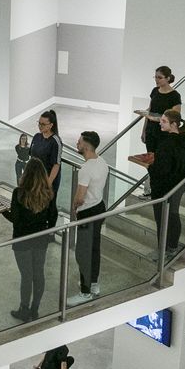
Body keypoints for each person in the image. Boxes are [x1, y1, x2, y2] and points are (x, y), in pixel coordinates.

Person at [2, 158, 53, 323]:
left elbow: (15, 220)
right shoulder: (49, 193)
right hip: (40, 239)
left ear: (26, 173)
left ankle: (24, 309)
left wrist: (3, 211)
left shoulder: (19, 193)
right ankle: (35, 309)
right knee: (39, 274)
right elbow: (53, 217)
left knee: (26, 276)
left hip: (22, 240)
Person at [67, 131, 109, 306]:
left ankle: (85, 293)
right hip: (99, 208)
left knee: (83, 253)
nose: (77, 143)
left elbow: (80, 197)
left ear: (86, 146)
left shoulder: (86, 169)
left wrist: (75, 207)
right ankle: (93, 284)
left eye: (79, 142)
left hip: (88, 213)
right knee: (94, 249)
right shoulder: (102, 162)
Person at [148, 110, 185, 257]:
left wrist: (150, 167)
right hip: (180, 183)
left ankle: (164, 250)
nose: (159, 123)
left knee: (161, 218)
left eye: (163, 121)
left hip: (165, 186)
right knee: (173, 214)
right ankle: (172, 247)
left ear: (173, 124)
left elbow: (162, 169)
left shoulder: (167, 144)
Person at [139, 65, 182, 199]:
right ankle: (151, 190)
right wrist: (144, 130)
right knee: (151, 160)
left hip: (164, 133)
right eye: (155, 77)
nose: (156, 80)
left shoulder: (175, 95)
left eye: (160, 77)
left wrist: (156, 119)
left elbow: (175, 117)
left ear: (168, 78)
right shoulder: (155, 91)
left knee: (161, 161)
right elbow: (150, 110)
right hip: (151, 131)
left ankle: (158, 190)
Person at [29, 110, 62, 229]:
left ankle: (51, 231)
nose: (40, 126)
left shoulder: (55, 141)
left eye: (43, 124)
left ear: (51, 125)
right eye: (39, 123)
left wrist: (48, 182)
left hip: (49, 180)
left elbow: (56, 164)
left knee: (50, 205)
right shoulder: (37, 137)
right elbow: (32, 157)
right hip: (35, 178)